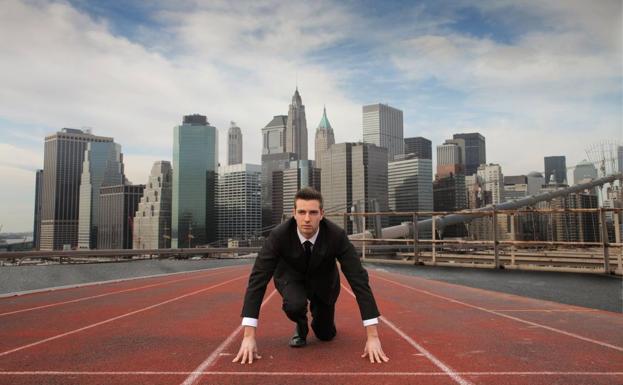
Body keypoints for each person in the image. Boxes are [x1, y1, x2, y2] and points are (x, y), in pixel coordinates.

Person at [233, 187, 389, 364]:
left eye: (313, 212)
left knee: (325, 335)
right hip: (291, 277)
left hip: (324, 282)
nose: (307, 219)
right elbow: (257, 280)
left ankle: (322, 321)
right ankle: (301, 326)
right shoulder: (278, 236)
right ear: (294, 213)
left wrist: (373, 336)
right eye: (302, 212)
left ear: (321, 214)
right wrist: (248, 335)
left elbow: (358, 279)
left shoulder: (336, 236)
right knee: (294, 305)